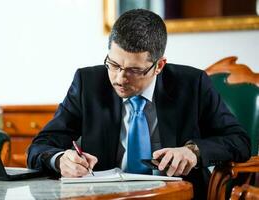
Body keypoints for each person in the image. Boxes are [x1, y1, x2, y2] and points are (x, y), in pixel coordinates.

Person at [27, 9, 251, 199]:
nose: (119, 78)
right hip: (106, 198)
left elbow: (239, 141)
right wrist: (60, 160)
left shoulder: (193, 84)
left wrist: (193, 151)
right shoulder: (88, 83)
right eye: (113, 64)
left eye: (134, 70)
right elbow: (39, 147)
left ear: (159, 66)